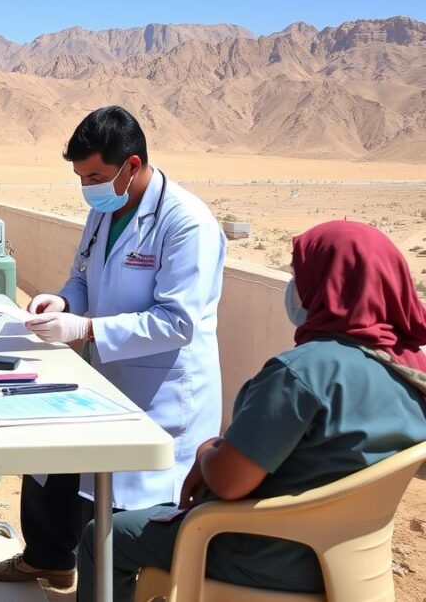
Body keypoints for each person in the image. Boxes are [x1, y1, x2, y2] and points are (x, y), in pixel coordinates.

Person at [78, 220, 426, 601]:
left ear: (326, 283)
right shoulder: (410, 371)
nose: (294, 287)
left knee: (106, 536)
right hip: (351, 560)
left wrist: (206, 452)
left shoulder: (303, 373)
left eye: (299, 274)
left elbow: (229, 482)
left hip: (262, 552)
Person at [0, 106, 226, 589]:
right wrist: (62, 300)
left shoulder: (187, 224)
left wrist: (86, 329)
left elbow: (177, 321)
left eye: (95, 175)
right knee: (57, 470)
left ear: (132, 166)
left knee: (121, 512)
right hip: (104, 377)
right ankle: (50, 559)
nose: (86, 187)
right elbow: (81, 276)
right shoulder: (104, 212)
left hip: (161, 391)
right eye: (79, 176)